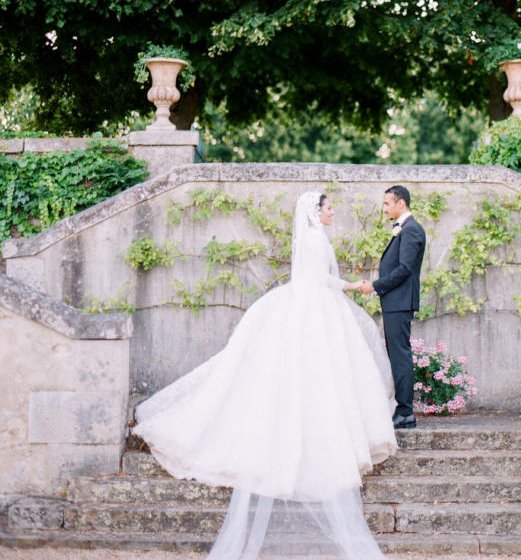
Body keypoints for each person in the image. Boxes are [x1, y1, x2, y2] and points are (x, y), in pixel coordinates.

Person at [133, 190, 396, 559]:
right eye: (329, 207)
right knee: (317, 369)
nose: (333, 212)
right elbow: (319, 278)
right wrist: (351, 285)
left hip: (305, 303)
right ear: (315, 212)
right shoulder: (314, 239)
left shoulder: (311, 237)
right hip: (314, 305)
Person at [360, 185, 426, 430]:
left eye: (388, 203)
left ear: (401, 203)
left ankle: (406, 412)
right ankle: (403, 409)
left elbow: (404, 269)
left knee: (400, 356)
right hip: (394, 303)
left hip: (399, 303)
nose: (384, 207)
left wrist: (375, 286)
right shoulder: (404, 229)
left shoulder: (411, 230)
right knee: (397, 355)